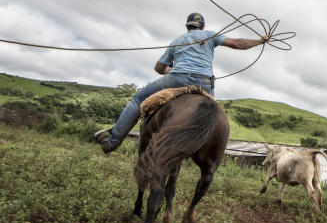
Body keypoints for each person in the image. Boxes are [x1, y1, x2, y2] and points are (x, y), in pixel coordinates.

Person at [94, 12, 268, 153]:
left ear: (187, 26)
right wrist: (260, 41)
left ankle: (112, 142)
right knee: (213, 114)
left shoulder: (177, 41)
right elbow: (238, 43)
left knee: (138, 100)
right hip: (205, 83)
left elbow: (159, 67)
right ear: (203, 26)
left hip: (178, 78)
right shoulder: (210, 36)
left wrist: (172, 70)